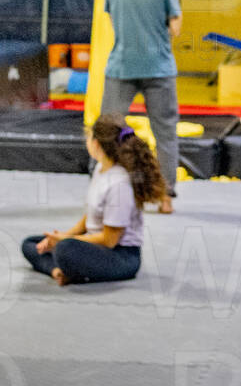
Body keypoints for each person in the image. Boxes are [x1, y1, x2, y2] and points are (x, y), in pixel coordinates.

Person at [21, 119, 164, 287]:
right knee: (30, 244)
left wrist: (65, 240)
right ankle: (58, 272)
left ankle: (71, 269)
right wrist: (62, 235)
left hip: (121, 257)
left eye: (88, 138)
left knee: (64, 249)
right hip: (94, 246)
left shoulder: (119, 185)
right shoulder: (100, 169)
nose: (86, 142)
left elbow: (109, 240)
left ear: (96, 144)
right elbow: (90, 215)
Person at [101, 0, 181, 211]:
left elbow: (112, 21)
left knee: (108, 131)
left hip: (121, 66)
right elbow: (175, 28)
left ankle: (105, 192)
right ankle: (165, 196)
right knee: (165, 133)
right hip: (159, 67)